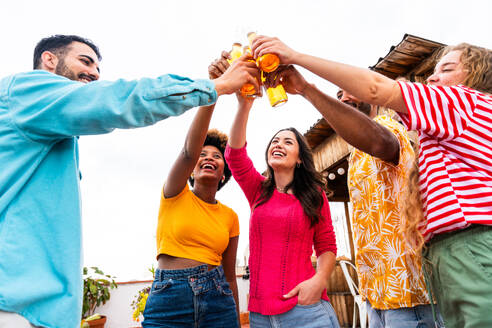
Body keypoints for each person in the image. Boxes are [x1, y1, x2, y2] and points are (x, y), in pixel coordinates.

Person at [0, 34, 259, 328]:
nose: (95, 74)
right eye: (85, 61)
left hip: (37, 310)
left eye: (99, 68)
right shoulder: (23, 91)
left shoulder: (56, 139)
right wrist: (213, 88)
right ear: (49, 59)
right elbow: (117, 101)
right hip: (12, 305)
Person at [251, 36, 492, 328]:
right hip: (379, 293)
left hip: (409, 294)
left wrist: (299, 67)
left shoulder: (400, 126)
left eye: (447, 69)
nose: (432, 78)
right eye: (338, 96)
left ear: (475, 76)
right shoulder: (382, 150)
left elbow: (378, 114)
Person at [211, 52, 339, 328]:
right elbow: (234, 156)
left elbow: (327, 245)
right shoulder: (258, 190)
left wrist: (319, 281)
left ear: (300, 158)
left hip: (306, 311)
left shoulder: (313, 196)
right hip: (259, 316)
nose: (278, 144)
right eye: (275, 141)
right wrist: (244, 106)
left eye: (288, 142)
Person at [142, 61, 243, 328]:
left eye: (217, 156)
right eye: (203, 155)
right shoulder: (175, 192)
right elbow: (188, 151)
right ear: (191, 170)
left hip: (218, 298)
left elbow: (230, 276)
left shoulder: (230, 216)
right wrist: (214, 92)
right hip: (169, 297)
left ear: (224, 173)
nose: (208, 158)